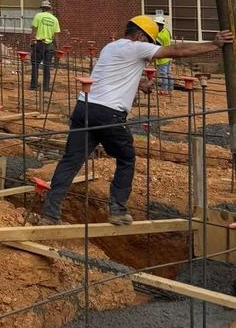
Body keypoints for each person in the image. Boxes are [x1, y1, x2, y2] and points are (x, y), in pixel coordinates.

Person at [38, 15, 232, 226]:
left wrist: (139, 84)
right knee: (126, 157)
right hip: (108, 113)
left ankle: (50, 214)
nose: (151, 50)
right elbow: (178, 51)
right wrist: (214, 44)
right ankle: (118, 210)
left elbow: (111, 75)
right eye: (150, 43)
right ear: (140, 36)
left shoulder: (110, 47)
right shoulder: (138, 47)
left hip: (84, 107)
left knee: (71, 161)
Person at [30, 1, 60, 92]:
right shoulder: (54, 19)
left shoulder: (38, 16)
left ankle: (34, 86)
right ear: (50, 9)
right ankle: (46, 87)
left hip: (39, 44)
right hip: (49, 45)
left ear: (42, 8)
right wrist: (57, 47)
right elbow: (56, 35)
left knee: (35, 65)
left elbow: (34, 30)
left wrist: (32, 41)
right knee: (47, 66)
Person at [155, 18, 173, 95]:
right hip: (169, 56)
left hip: (163, 57)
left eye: (156, 24)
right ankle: (170, 90)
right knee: (169, 74)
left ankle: (164, 90)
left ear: (160, 25)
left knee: (163, 75)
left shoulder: (160, 36)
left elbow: (156, 45)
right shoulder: (167, 31)